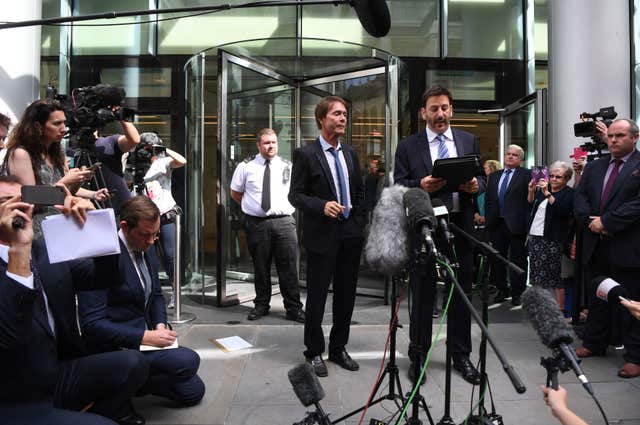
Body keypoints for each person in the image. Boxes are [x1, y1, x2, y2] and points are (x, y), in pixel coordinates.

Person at [0, 176, 148, 425]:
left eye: (22, 199)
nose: (18, 207)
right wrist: (18, 253)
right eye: (6, 201)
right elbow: (7, 336)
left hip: (57, 371)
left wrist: (96, 228)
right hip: (13, 392)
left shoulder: (43, 251)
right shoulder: (24, 250)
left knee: (134, 363)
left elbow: (106, 277)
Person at [78, 196, 205, 407]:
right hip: (117, 347)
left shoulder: (148, 246)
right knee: (188, 360)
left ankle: (128, 384)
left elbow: (155, 294)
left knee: (193, 391)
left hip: (145, 340)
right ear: (125, 227)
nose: (151, 241)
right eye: (146, 235)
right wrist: (146, 336)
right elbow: (92, 325)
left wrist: (160, 326)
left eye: (155, 235)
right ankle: (114, 392)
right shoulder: (103, 254)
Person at [393, 85, 483, 385]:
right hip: (426, 230)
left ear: (451, 110)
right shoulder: (408, 146)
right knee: (423, 296)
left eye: (444, 107)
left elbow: (481, 176)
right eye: (434, 109)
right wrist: (420, 184)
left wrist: (476, 186)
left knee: (461, 295)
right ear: (424, 113)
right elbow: (400, 185)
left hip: (461, 229)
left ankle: (461, 356)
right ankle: (418, 356)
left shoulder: (468, 140)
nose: (440, 113)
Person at [289, 96, 366, 377]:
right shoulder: (306, 154)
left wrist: (358, 222)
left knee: (346, 296)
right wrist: (321, 206)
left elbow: (359, 191)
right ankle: (313, 351)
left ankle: (338, 348)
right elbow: (295, 195)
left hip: (350, 234)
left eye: (345, 113)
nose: (342, 118)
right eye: (336, 113)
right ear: (321, 119)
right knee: (318, 297)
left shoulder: (351, 153)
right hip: (322, 234)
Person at [574, 118, 640, 379]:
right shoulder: (594, 167)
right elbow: (581, 197)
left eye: (620, 135)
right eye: (610, 136)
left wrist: (607, 222)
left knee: (630, 302)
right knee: (598, 297)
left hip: (628, 246)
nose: (613, 140)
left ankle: (635, 356)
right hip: (596, 245)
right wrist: (590, 223)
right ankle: (594, 342)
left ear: (634, 138)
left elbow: (637, 204)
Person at [230, 128, 305, 322]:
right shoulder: (246, 166)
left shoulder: (287, 166)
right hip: (257, 224)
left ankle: (294, 308)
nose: (270, 146)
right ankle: (261, 305)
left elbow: (297, 192)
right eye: (266, 143)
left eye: (273, 142)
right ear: (258, 145)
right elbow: (235, 192)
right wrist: (251, 207)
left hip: (284, 223)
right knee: (260, 267)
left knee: (288, 268)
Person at [4, 100, 109, 238]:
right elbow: (29, 202)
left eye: (64, 122)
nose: (64, 128)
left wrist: (90, 191)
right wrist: (66, 181)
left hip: (60, 226)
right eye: (56, 123)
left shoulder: (56, 151)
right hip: (36, 232)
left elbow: (64, 193)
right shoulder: (21, 153)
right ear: (38, 126)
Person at [140, 132, 186, 309]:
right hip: (144, 217)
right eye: (146, 148)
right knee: (148, 257)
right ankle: (151, 292)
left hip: (166, 213)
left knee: (170, 256)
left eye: (151, 148)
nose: (148, 152)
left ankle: (175, 292)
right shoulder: (136, 164)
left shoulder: (163, 162)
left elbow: (182, 161)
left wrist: (163, 150)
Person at [484, 144, 530, 306]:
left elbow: (529, 200)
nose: (510, 157)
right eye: (508, 154)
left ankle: (518, 293)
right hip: (497, 223)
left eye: (514, 155)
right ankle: (502, 289)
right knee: (498, 259)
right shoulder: (495, 176)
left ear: (521, 159)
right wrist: (488, 219)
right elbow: (489, 199)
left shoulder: (526, 175)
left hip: (516, 224)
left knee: (518, 260)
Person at [526, 161, 575, 307]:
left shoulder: (569, 193)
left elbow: (564, 211)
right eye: (552, 176)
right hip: (535, 237)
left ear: (566, 179)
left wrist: (547, 193)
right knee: (535, 274)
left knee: (553, 276)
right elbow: (530, 204)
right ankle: (538, 306)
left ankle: (560, 311)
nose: (553, 179)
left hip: (552, 239)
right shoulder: (543, 190)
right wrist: (531, 190)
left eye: (558, 177)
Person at [94, 119, 141, 215]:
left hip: (117, 208)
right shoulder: (65, 147)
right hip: (85, 207)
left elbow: (134, 140)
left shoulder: (109, 142)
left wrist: (122, 116)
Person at [474, 159, 501, 226]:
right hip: (481, 221)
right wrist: (476, 214)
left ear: (492, 169)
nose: (483, 170)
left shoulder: (499, 184)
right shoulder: (483, 182)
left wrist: (487, 217)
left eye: (485, 168)